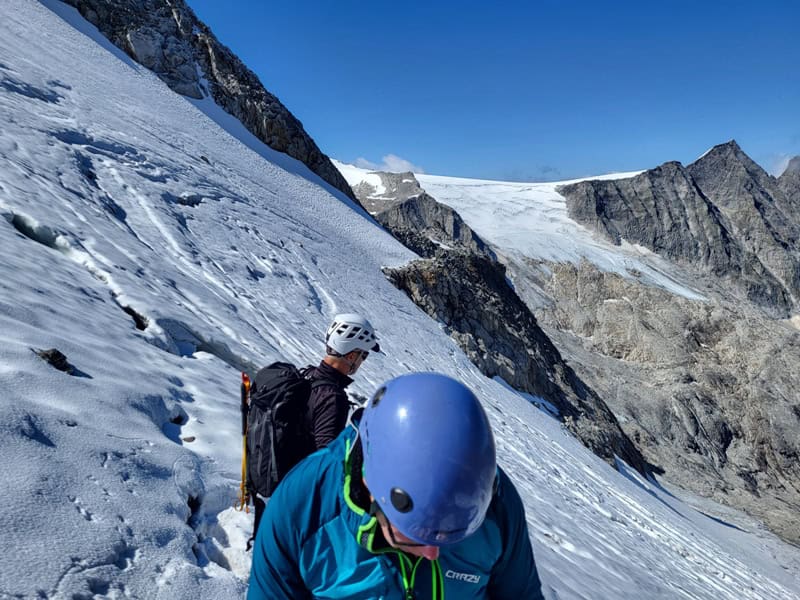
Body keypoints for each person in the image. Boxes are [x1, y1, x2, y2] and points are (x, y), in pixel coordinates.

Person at [247, 372, 545, 599]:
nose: (433, 554)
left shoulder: (493, 502)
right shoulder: (303, 508)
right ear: (369, 483)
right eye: (414, 537)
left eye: (451, 537)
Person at [305, 312, 381, 451]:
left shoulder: (306, 375)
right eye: (364, 355)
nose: (363, 361)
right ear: (352, 356)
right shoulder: (332, 399)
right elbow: (326, 457)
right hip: (296, 472)